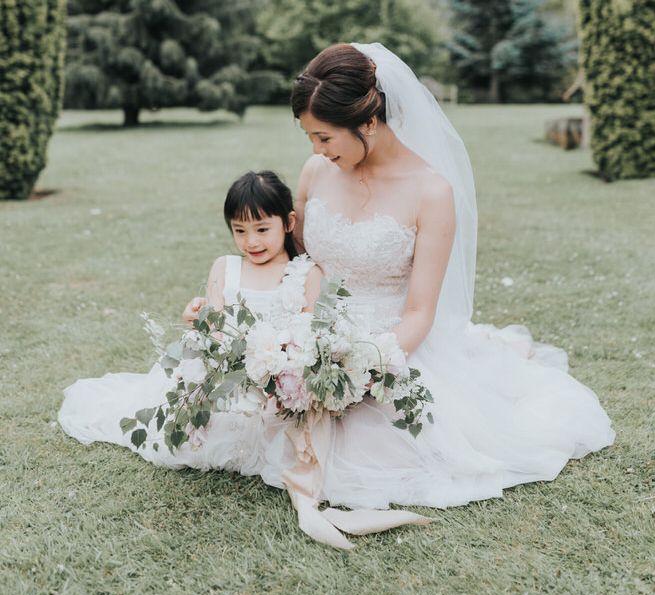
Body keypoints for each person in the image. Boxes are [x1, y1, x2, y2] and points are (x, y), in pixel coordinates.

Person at [287, 43, 615, 512]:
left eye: (324, 137)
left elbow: (421, 312)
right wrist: (295, 340)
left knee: (379, 442)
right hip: (311, 331)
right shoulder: (315, 172)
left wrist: (362, 365)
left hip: (394, 344)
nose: (317, 151)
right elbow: (303, 261)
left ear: (367, 122)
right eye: (310, 138)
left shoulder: (430, 191)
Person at [59, 170, 323, 470]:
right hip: (224, 374)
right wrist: (200, 322)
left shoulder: (305, 274)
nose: (251, 241)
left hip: (277, 383)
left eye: (262, 229)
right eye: (239, 230)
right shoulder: (226, 267)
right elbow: (214, 328)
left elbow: (306, 337)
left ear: (288, 223)